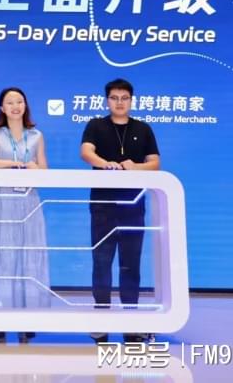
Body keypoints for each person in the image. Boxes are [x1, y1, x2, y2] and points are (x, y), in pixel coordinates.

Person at [79, 78, 161, 345]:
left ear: (131, 100)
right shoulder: (96, 125)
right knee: (101, 263)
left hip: (133, 207)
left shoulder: (143, 128)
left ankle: (130, 322)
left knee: (130, 264)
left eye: (124, 98)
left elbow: (155, 162)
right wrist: (106, 164)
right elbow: (86, 152)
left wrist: (134, 167)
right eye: (114, 98)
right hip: (102, 206)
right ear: (107, 100)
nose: (119, 102)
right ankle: (101, 321)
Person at [0, 86, 50, 344]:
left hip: (28, 200)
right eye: (9, 102)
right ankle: (0, 315)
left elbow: (45, 169)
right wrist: (14, 164)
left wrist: (33, 168)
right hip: (2, 200)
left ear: (25, 105)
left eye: (19, 101)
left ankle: (28, 316)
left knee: (28, 253)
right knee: (3, 254)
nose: (15, 106)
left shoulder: (36, 135)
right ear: (2, 108)